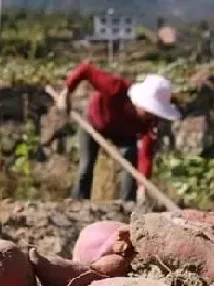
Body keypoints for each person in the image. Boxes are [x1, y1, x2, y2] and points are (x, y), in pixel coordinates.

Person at [56, 60, 181, 202]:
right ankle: (78, 201)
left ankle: (128, 203)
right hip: (96, 122)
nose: (151, 115)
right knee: (86, 165)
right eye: (148, 111)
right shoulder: (116, 88)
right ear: (140, 102)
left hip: (124, 134)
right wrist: (67, 91)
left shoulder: (151, 121)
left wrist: (142, 186)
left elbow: (145, 154)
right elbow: (86, 69)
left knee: (131, 158)